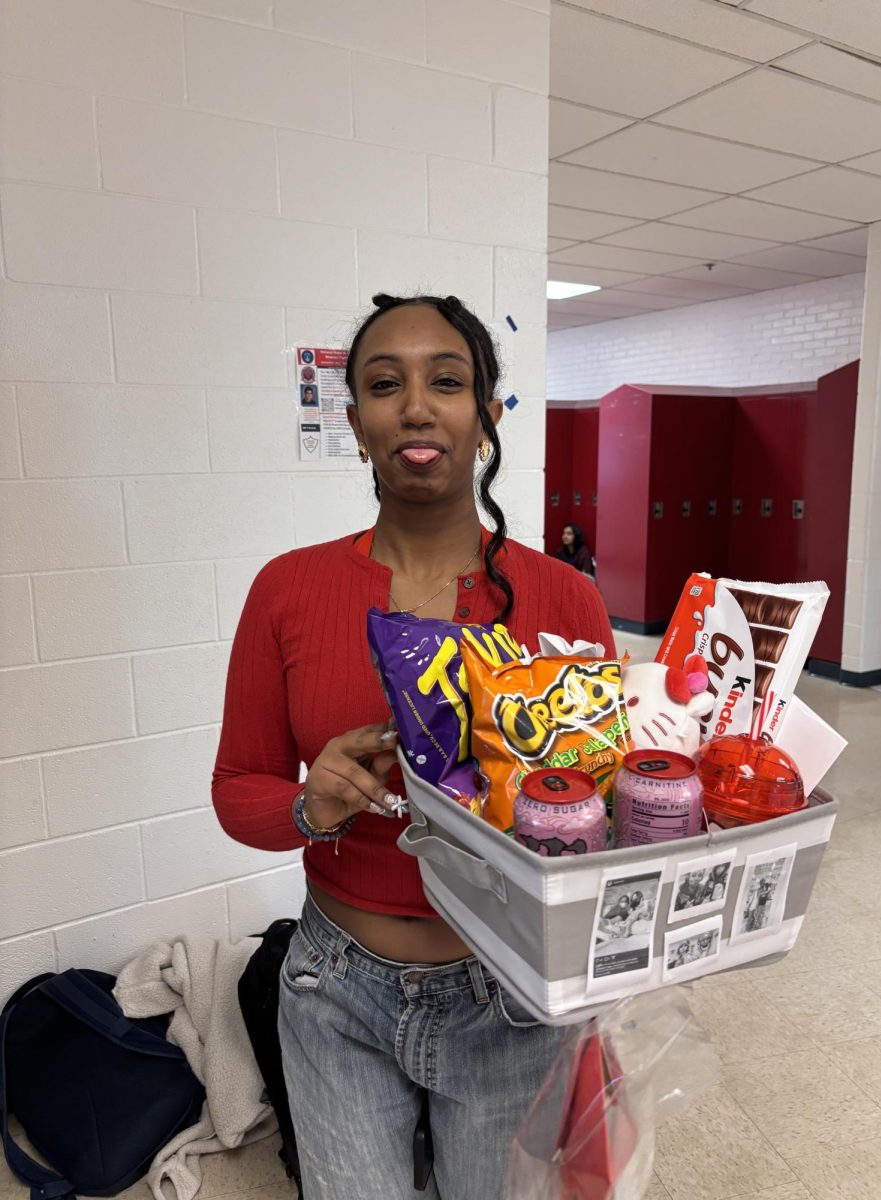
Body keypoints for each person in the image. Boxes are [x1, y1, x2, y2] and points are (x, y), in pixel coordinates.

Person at [212, 293, 616, 1200]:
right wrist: (309, 805)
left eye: (448, 381)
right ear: (356, 424)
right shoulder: (287, 588)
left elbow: (604, 810)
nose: (417, 407)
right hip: (335, 989)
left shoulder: (565, 601)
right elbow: (237, 789)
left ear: (488, 415)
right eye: (385, 385)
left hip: (510, 990)